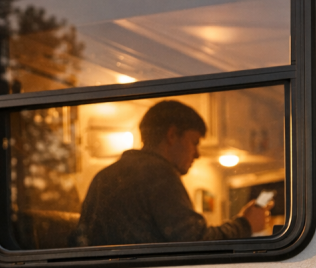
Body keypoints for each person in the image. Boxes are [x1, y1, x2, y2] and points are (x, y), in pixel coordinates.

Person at [77, 100, 271, 247]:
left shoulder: (103, 176)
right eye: (194, 142)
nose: (197, 153)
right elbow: (196, 242)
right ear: (171, 135)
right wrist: (245, 224)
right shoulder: (157, 174)